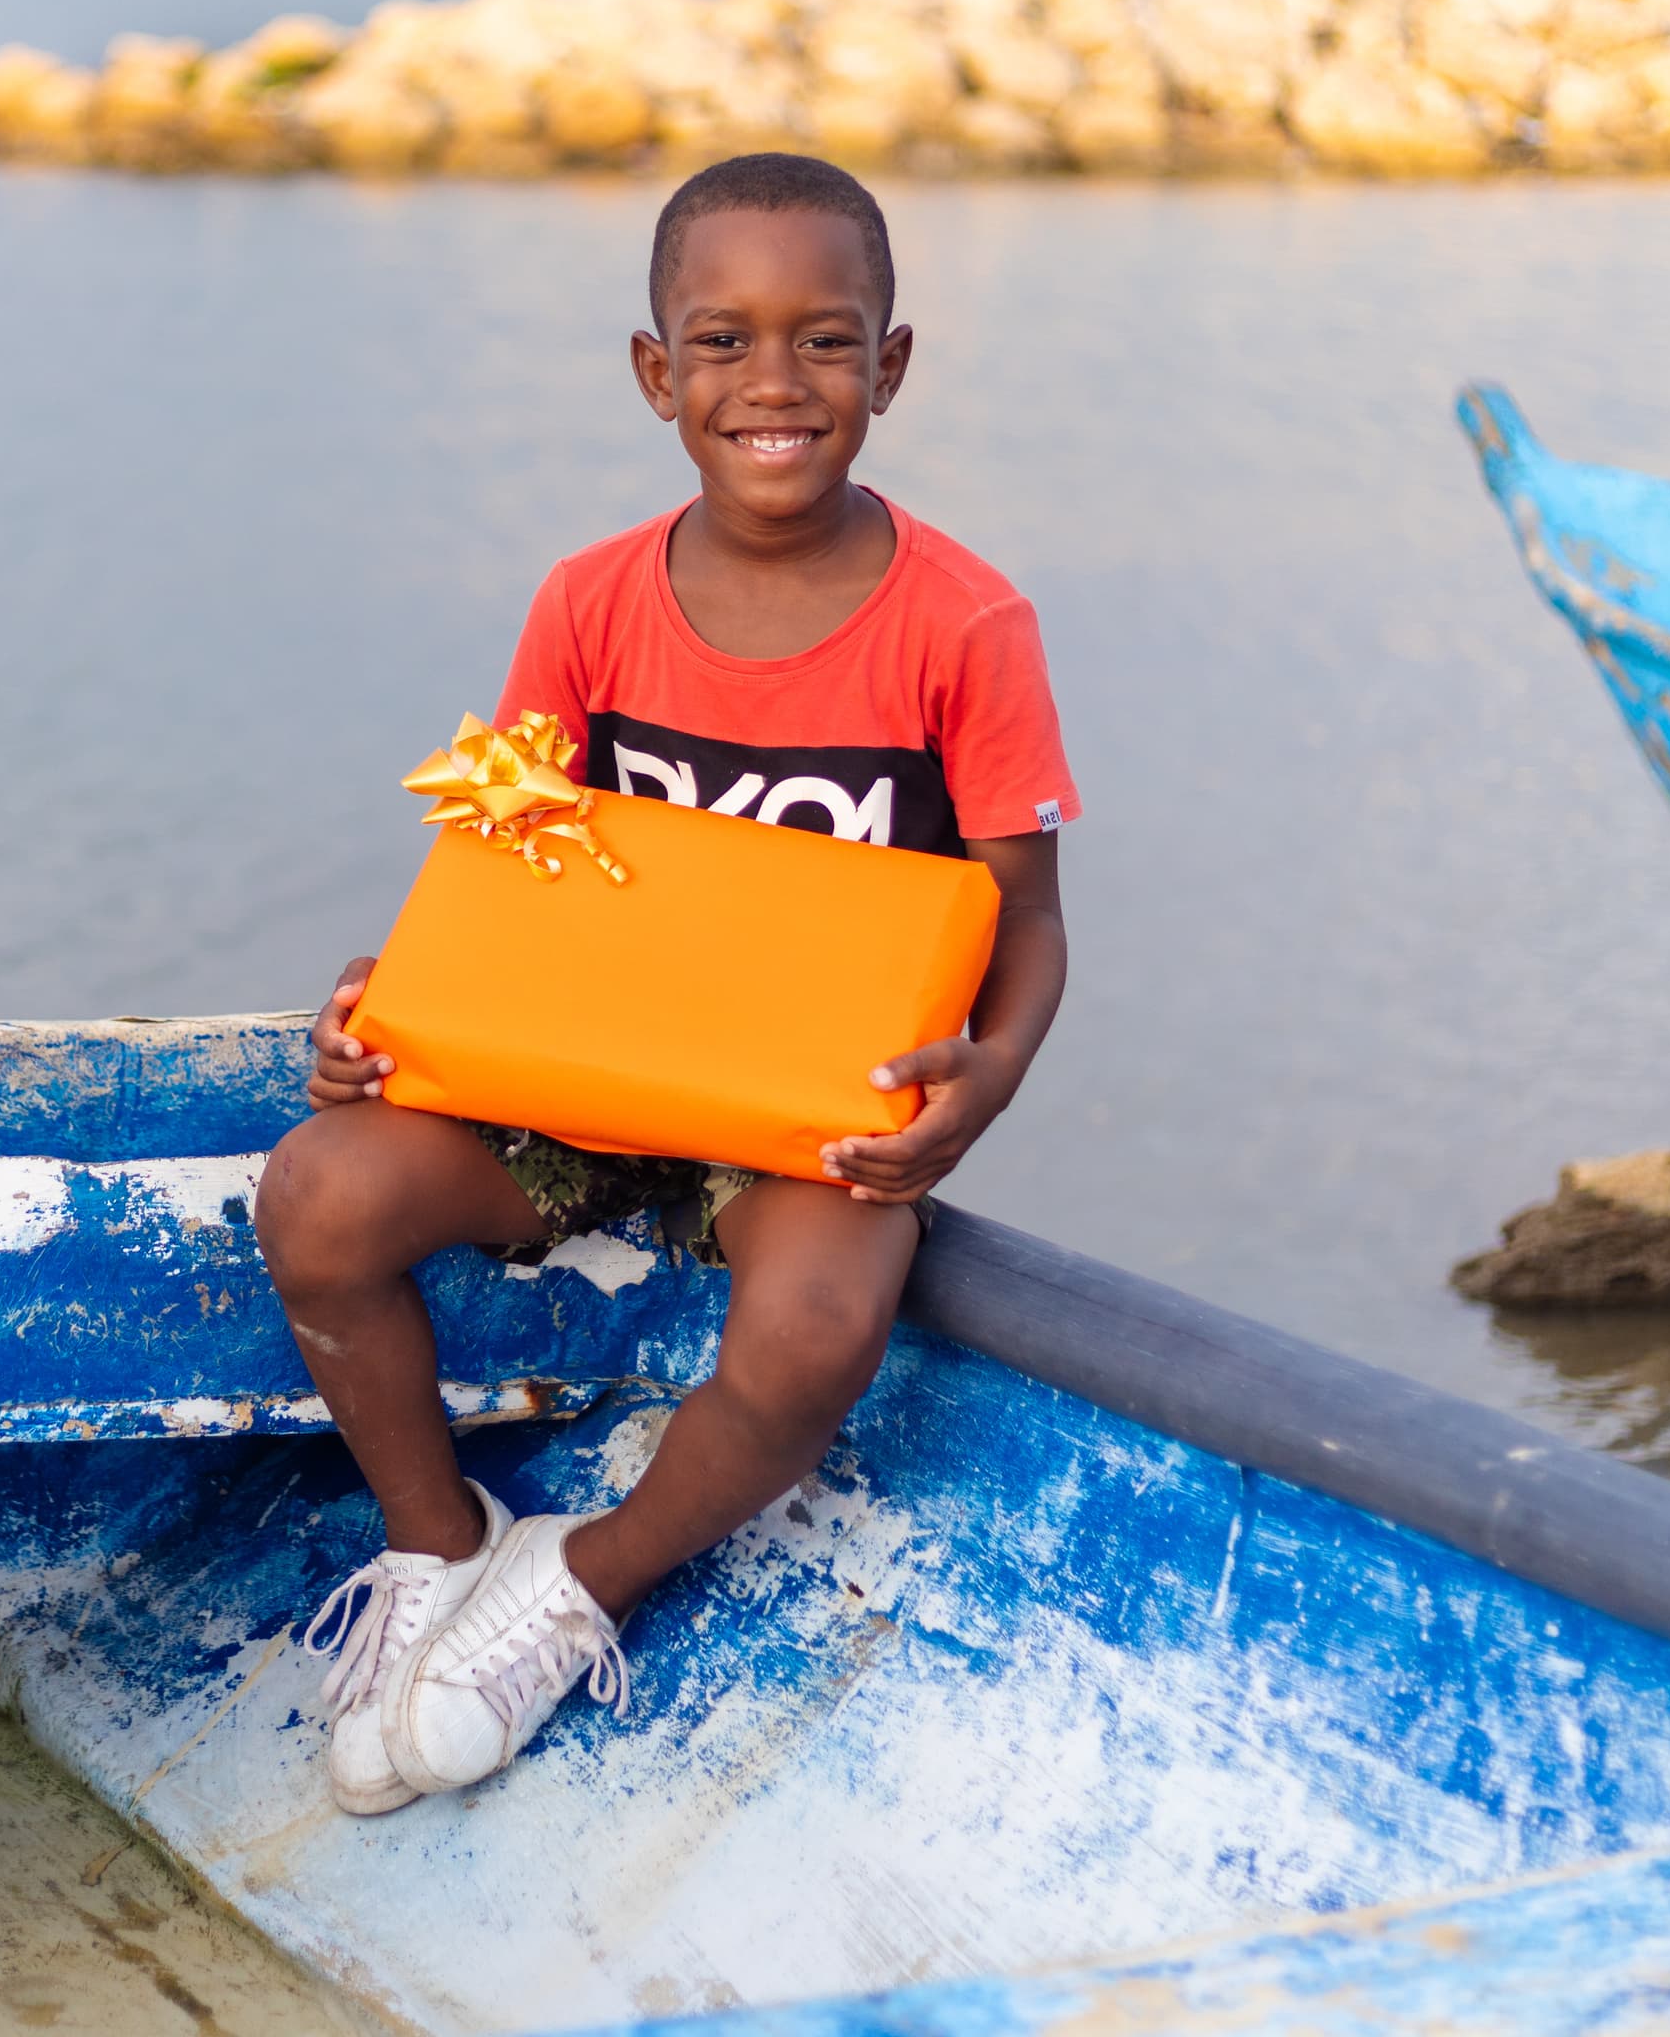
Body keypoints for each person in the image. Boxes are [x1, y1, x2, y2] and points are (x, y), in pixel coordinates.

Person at [258, 152, 1078, 1816]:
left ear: (892, 367)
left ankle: (580, 1582)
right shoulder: (590, 603)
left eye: (824, 344)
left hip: (803, 1120)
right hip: (586, 1086)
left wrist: (980, 1084)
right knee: (320, 1194)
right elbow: (513, 860)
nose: (773, 384)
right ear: (657, 375)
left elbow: (1030, 920)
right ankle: (437, 1539)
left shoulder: (967, 624)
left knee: (821, 1323)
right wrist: (384, 1002)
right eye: (722, 343)